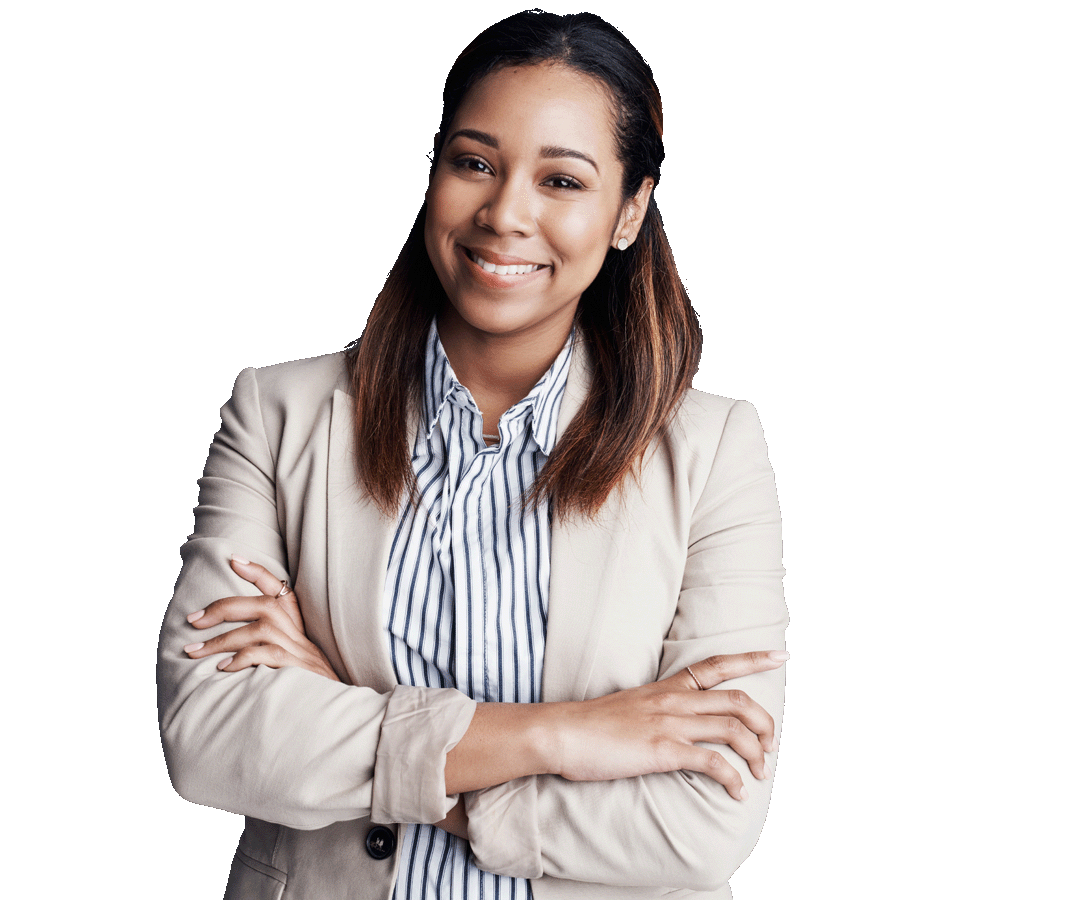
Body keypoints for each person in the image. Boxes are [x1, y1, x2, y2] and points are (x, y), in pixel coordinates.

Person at [157, 10, 788, 900]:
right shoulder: (280, 414)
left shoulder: (713, 450)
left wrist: (367, 735)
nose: (505, 214)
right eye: (474, 162)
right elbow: (211, 737)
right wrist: (563, 735)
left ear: (629, 211)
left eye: (562, 180)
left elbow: (702, 823)